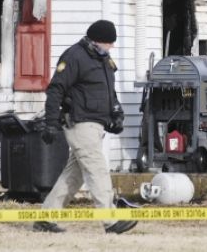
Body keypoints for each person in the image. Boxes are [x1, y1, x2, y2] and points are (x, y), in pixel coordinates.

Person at [33, 20, 137, 234]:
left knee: (74, 175)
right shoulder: (74, 57)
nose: (112, 47)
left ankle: (45, 217)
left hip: (94, 125)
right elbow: (55, 90)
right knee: (97, 169)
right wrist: (50, 123)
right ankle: (110, 221)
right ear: (98, 40)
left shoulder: (104, 59)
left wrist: (116, 113)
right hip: (79, 123)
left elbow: (109, 92)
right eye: (110, 42)